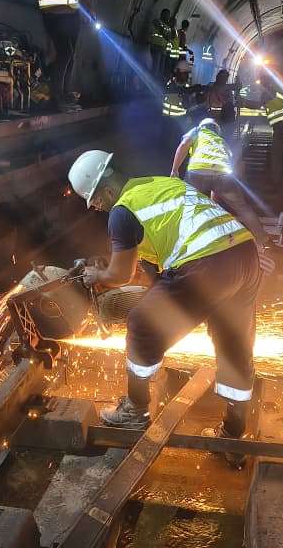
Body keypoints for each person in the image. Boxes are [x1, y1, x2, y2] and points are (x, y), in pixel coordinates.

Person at [68, 150, 271, 466]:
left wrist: (98, 275)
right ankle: (234, 436)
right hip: (243, 255)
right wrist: (116, 273)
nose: (97, 208)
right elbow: (152, 270)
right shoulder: (159, 186)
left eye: (95, 201)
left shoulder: (122, 211)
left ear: (107, 190)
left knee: (140, 324)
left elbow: (120, 275)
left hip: (206, 263)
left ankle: (135, 410)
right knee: (233, 347)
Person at [171, 118, 270, 247]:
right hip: (224, 175)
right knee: (243, 208)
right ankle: (264, 240)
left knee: (189, 207)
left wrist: (175, 170)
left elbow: (184, 144)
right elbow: (235, 166)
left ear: (203, 125)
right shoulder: (221, 142)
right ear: (217, 130)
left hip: (198, 172)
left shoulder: (197, 131)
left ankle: (183, 241)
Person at [242, 74, 283, 185]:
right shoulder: (275, 91)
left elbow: (257, 105)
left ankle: (276, 181)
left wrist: (243, 102)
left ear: (264, 82)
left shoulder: (267, 93)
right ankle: (276, 177)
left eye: (262, 82)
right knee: (277, 151)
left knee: (276, 154)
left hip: (282, 125)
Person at [149, 9, 174, 80]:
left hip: (163, 49)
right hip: (156, 47)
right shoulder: (157, 21)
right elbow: (164, 33)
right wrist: (166, 35)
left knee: (160, 69)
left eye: (169, 15)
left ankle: (156, 82)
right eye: (167, 15)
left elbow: (170, 37)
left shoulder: (167, 26)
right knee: (155, 68)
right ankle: (151, 81)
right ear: (162, 14)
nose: (168, 17)